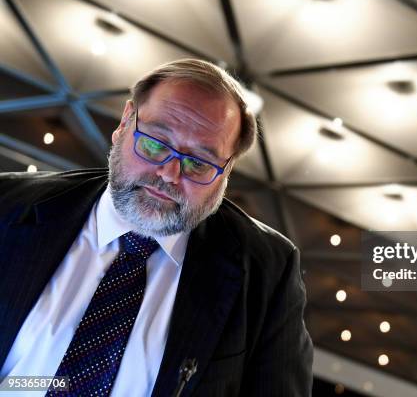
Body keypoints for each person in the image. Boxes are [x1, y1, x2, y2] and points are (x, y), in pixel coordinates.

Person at [0, 59, 313, 396]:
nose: (169, 174)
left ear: (226, 170)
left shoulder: (267, 272)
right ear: (124, 123)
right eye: (155, 145)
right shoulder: (8, 205)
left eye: (198, 162)